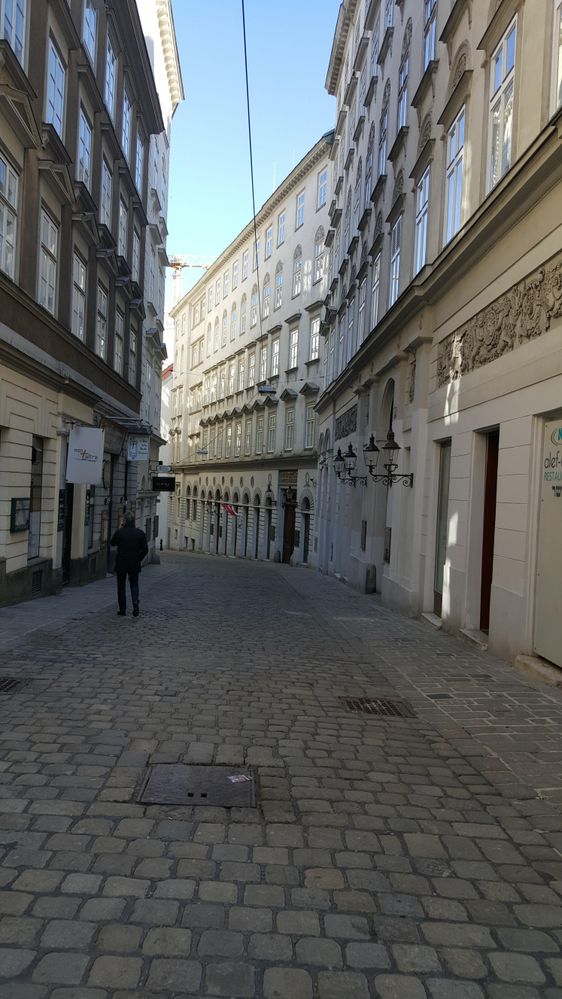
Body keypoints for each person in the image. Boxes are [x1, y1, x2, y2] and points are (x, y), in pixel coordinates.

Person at [110, 512, 148, 617]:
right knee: (134, 584)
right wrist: (138, 559)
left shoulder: (120, 532)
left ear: (124, 521)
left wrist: (119, 529)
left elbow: (112, 543)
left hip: (121, 562)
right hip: (134, 563)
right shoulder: (140, 533)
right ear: (134, 521)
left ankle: (123, 609)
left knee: (121, 586)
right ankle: (135, 604)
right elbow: (145, 550)